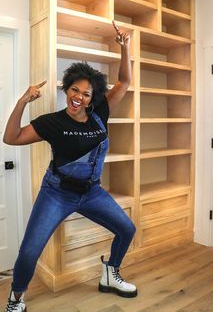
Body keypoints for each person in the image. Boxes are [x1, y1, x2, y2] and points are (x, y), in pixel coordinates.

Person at [3, 20, 137, 312]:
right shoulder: (52, 122)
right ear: (67, 89)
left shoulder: (101, 113)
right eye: (74, 90)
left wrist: (125, 48)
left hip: (92, 192)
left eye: (86, 94)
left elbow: (125, 82)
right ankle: (16, 298)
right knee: (29, 251)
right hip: (57, 193)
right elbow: (10, 138)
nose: (78, 97)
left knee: (127, 229)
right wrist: (23, 101)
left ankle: (110, 273)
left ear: (93, 99)